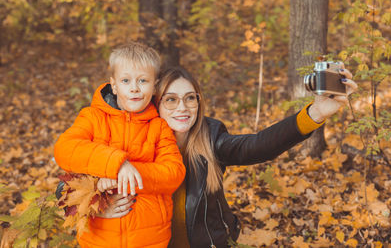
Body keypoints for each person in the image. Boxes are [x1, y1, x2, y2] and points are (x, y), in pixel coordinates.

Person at [93, 66, 358, 248]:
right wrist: (97, 207)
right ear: (155, 103)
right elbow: (67, 188)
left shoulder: (211, 137)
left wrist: (316, 113)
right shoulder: (129, 141)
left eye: (190, 98)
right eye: (170, 100)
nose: (182, 108)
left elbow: (258, 146)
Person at [54, 43, 186, 248]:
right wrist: (116, 164)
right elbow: (65, 149)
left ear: (154, 86)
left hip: (150, 240)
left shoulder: (159, 126)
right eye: (126, 81)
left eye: (143, 80)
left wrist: (123, 175)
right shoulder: (92, 117)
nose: (134, 87)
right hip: (98, 238)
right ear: (114, 85)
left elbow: (173, 172)